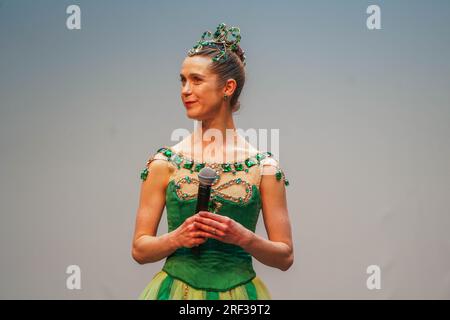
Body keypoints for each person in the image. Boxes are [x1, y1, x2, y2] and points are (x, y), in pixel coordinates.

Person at [132, 23, 293, 300]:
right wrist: (175, 238)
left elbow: (285, 256)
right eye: (182, 80)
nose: (185, 90)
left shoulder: (263, 168)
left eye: (196, 80)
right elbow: (139, 250)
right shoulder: (164, 162)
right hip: (174, 292)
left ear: (227, 87)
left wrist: (245, 238)